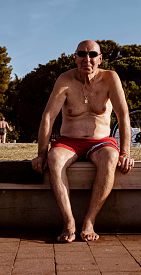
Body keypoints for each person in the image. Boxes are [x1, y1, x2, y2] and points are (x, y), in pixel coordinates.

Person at [31, 40, 134, 243]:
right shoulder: (65, 79)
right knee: (54, 158)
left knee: (111, 158)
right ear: (75, 57)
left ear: (100, 58)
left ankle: (89, 221)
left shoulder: (110, 78)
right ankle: (69, 222)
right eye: (82, 54)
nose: (88, 59)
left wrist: (126, 153)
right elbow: (48, 117)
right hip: (69, 141)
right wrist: (41, 153)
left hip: (101, 142)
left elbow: (124, 116)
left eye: (93, 54)